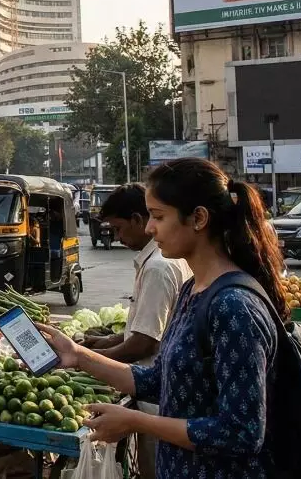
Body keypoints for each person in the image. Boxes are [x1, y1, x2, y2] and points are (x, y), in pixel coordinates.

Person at [36, 157, 286, 478]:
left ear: (198, 218)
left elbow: (242, 432)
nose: (150, 228)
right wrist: (78, 355)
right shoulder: (191, 290)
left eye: (158, 216)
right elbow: (159, 380)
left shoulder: (234, 306)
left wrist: (136, 421)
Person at [82, 183, 191, 479]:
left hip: (156, 399)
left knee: (154, 469)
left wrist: (89, 359)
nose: (117, 237)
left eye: (118, 228)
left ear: (137, 220)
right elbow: (145, 325)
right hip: (158, 390)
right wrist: (107, 340)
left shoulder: (158, 267)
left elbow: (144, 342)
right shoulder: (158, 261)